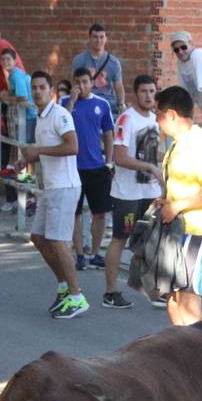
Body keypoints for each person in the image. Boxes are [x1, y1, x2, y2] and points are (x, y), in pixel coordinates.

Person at [152, 85, 202, 326]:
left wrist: (177, 206)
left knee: (190, 307)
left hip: (198, 232)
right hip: (180, 232)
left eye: (159, 115)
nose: (157, 121)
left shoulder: (197, 141)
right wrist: (167, 201)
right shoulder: (178, 143)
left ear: (171, 115)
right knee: (174, 302)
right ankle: (185, 359)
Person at [21, 71, 87, 319]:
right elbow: (48, 151)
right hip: (50, 187)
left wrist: (38, 149)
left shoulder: (60, 114)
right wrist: (27, 159)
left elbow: (72, 147)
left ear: (52, 92)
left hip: (65, 187)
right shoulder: (40, 117)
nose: (37, 92)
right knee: (38, 237)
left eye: (41, 87)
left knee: (58, 241)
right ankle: (63, 286)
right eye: (34, 88)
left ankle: (77, 296)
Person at [102, 74, 161, 311]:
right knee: (120, 239)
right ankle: (110, 292)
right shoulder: (127, 119)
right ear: (135, 93)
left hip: (150, 191)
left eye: (152, 91)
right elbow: (120, 157)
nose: (149, 96)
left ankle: (153, 290)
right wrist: (149, 166)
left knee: (151, 241)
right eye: (144, 91)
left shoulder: (157, 120)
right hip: (127, 193)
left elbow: (153, 153)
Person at [67, 67, 114, 272]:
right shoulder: (64, 103)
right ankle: (79, 254)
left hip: (97, 166)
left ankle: (95, 253)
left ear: (91, 83)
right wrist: (71, 101)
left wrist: (109, 162)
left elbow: (109, 134)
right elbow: (61, 122)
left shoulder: (101, 104)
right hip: (72, 167)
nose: (82, 86)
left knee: (100, 212)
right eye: (78, 82)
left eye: (85, 82)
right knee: (74, 213)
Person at [0, 47, 33, 211]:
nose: (5, 62)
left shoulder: (17, 75)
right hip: (25, 115)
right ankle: (13, 169)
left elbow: (23, 97)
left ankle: (29, 192)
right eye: (3, 60)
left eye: (8, 60)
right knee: (18, 145)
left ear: (15, 60)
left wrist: (7, 98)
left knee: (24, 151)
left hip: (28, 115)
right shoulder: (13, 75)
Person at [72, 23, 124, 114]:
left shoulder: (114, 62)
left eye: (101, 37)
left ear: (106, 39)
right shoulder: (79, 60)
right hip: (86, 101)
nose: (98, 40)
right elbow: (74, 85)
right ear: (90, 39)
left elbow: (119, 87)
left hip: (108, 103)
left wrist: (121, 105)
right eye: (95, 37)